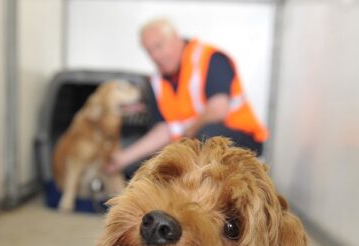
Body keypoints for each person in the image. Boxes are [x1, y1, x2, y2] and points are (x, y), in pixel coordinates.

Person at [106, 19, 268, 174]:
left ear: (176, 38)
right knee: (159, 159)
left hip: (243, 139)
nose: (155, 55)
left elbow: (218, 110)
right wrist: (123, 158)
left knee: (207, 137)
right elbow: (164, 130)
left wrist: (188, 133)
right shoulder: (157, 82)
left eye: (159, 46)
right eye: (149, 51)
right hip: (196, 141)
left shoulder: (209, 58)